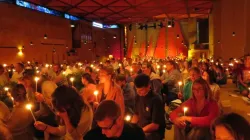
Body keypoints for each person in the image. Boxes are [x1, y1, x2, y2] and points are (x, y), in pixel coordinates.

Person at [132, 74, 165, 140]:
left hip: (154, 132)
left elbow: (155, 125)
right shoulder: (138, 96)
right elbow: (136, 114)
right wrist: (131, 127)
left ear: (148, 86)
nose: (139, 92)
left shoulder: (156, 99)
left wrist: (139, 131)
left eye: (141, 90)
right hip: (141, 128)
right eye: (137, 90)